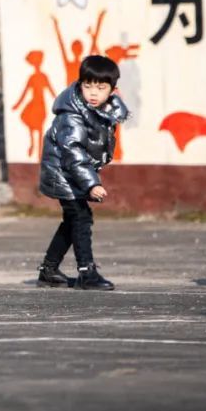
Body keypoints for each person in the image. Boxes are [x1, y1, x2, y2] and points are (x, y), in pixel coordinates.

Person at [36, 55, 128, 291]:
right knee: (81, 218)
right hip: (64, 174)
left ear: (112, 90)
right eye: (88, 86)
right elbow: (73, 152)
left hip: (72, 174)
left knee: (72, 220)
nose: (93, 93)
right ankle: (86, 272)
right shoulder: (73, 115)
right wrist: (91, 184)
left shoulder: (102, 109)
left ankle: (49, 269)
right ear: (79, 84)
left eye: (101, 87)